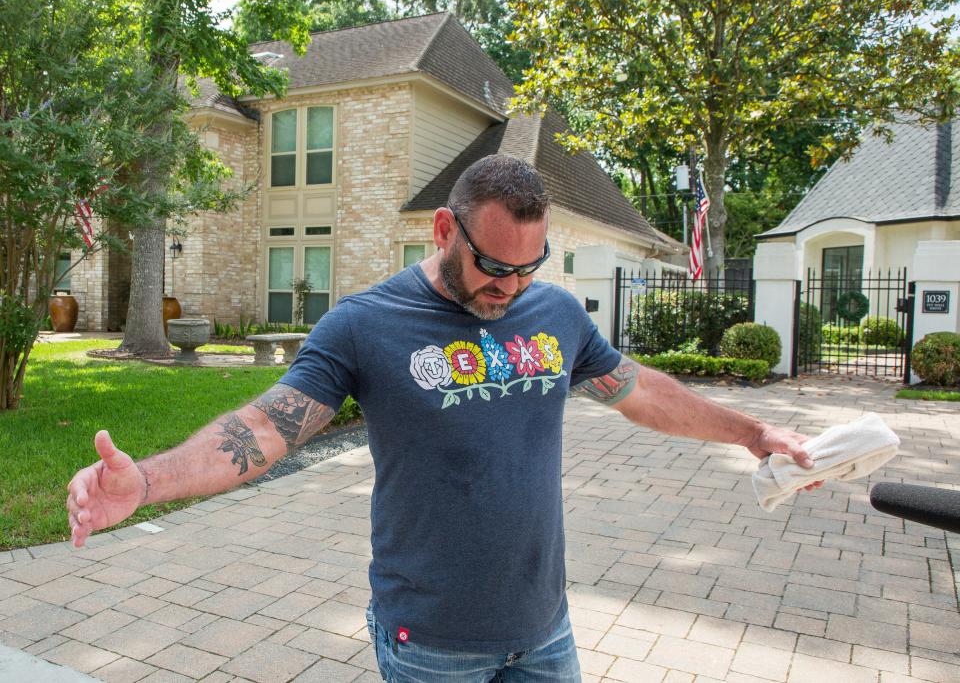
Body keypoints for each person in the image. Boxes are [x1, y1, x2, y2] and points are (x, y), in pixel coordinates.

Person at [67, 154, 817, 682]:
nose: (512, 286)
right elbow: (264, 430)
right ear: (442, 231)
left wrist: (752, 434)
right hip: (430, 643)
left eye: (530, 265)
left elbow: (640, 391)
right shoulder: (366, 323)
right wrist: (148, 482)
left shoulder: (553, 313)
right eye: (494, 265)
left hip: (544, 631)